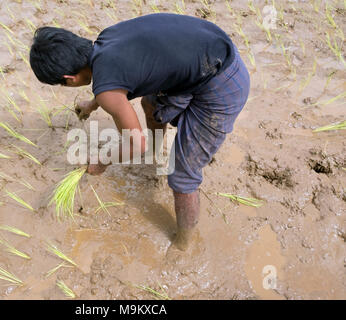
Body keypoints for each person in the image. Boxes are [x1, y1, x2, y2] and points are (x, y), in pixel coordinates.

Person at [29, 13, 250, 252]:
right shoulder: (107, 38)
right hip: (209, 55)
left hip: (224, 82)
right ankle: (156, 153)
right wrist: (92, 104)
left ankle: (184, 244)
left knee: (182, 175)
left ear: (68, 79)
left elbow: (136, 143)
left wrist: (102, 161)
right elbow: (116, 77)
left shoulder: (107, 89)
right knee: (150, 103)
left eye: (62, 84)